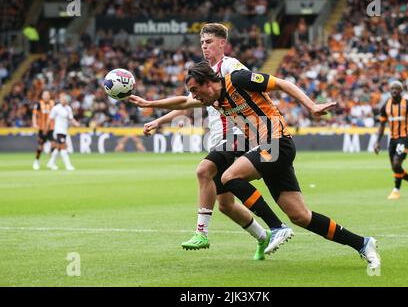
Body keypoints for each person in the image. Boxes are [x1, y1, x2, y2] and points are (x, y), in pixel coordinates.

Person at [140, 61, 381, 271]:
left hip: (278, 143)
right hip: (266, 150)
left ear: (208, 82)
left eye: (196, 90)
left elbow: (283, 83)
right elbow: (184, 103)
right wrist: (151, 108)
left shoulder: (238, 79)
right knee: (301, 216)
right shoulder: (214, 100)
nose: (195, 96)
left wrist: (311, 106)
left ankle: (276, 227)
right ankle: (362, 243)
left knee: (229, 177)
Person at [130, 23, 293, 260]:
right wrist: (159, 120)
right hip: (219, 140)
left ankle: (202, 232)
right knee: (225, 204)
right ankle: (262, 236)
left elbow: (254, 88)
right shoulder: (204, 76)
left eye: (208, 42)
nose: (204, 47)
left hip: (237, 137)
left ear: (221, 43)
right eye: (202, 43)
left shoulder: (230, 66)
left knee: (204, 170)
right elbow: (186, 104)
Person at [374, 81, 408, 200]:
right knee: (395, 167)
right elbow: (381, 125)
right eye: (392, 89)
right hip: (393, 139)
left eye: (396, 89)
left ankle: (396, 190)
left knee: (396, 163)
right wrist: (377, 141)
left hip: (406, 137)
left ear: (401, 91)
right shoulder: (386, 106)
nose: (394, 91)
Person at [46, 92, 80, 171]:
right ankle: (68, 165)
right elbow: (50, 118)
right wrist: (47, 129)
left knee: (58, 148)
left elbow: (71, 119)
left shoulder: (68, 108)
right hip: (58, 131)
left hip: (64, 131)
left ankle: (51, 163)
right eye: (61, 99)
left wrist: (76, 124)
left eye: (64, 99)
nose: (62, 100)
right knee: (63, 147)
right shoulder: (56, 108)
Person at [32, 90, 56, 170]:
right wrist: (35, 123)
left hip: (51, 128)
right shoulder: (39, 104)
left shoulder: (53, 103)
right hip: (42, 128)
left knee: (54, 145)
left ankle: (51, 162)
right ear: (42, 96)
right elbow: (34, 114)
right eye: (44, 95)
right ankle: (36, 161)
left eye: (47, 95)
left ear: (49, 96)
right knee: (40, 147)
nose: (46, 96)